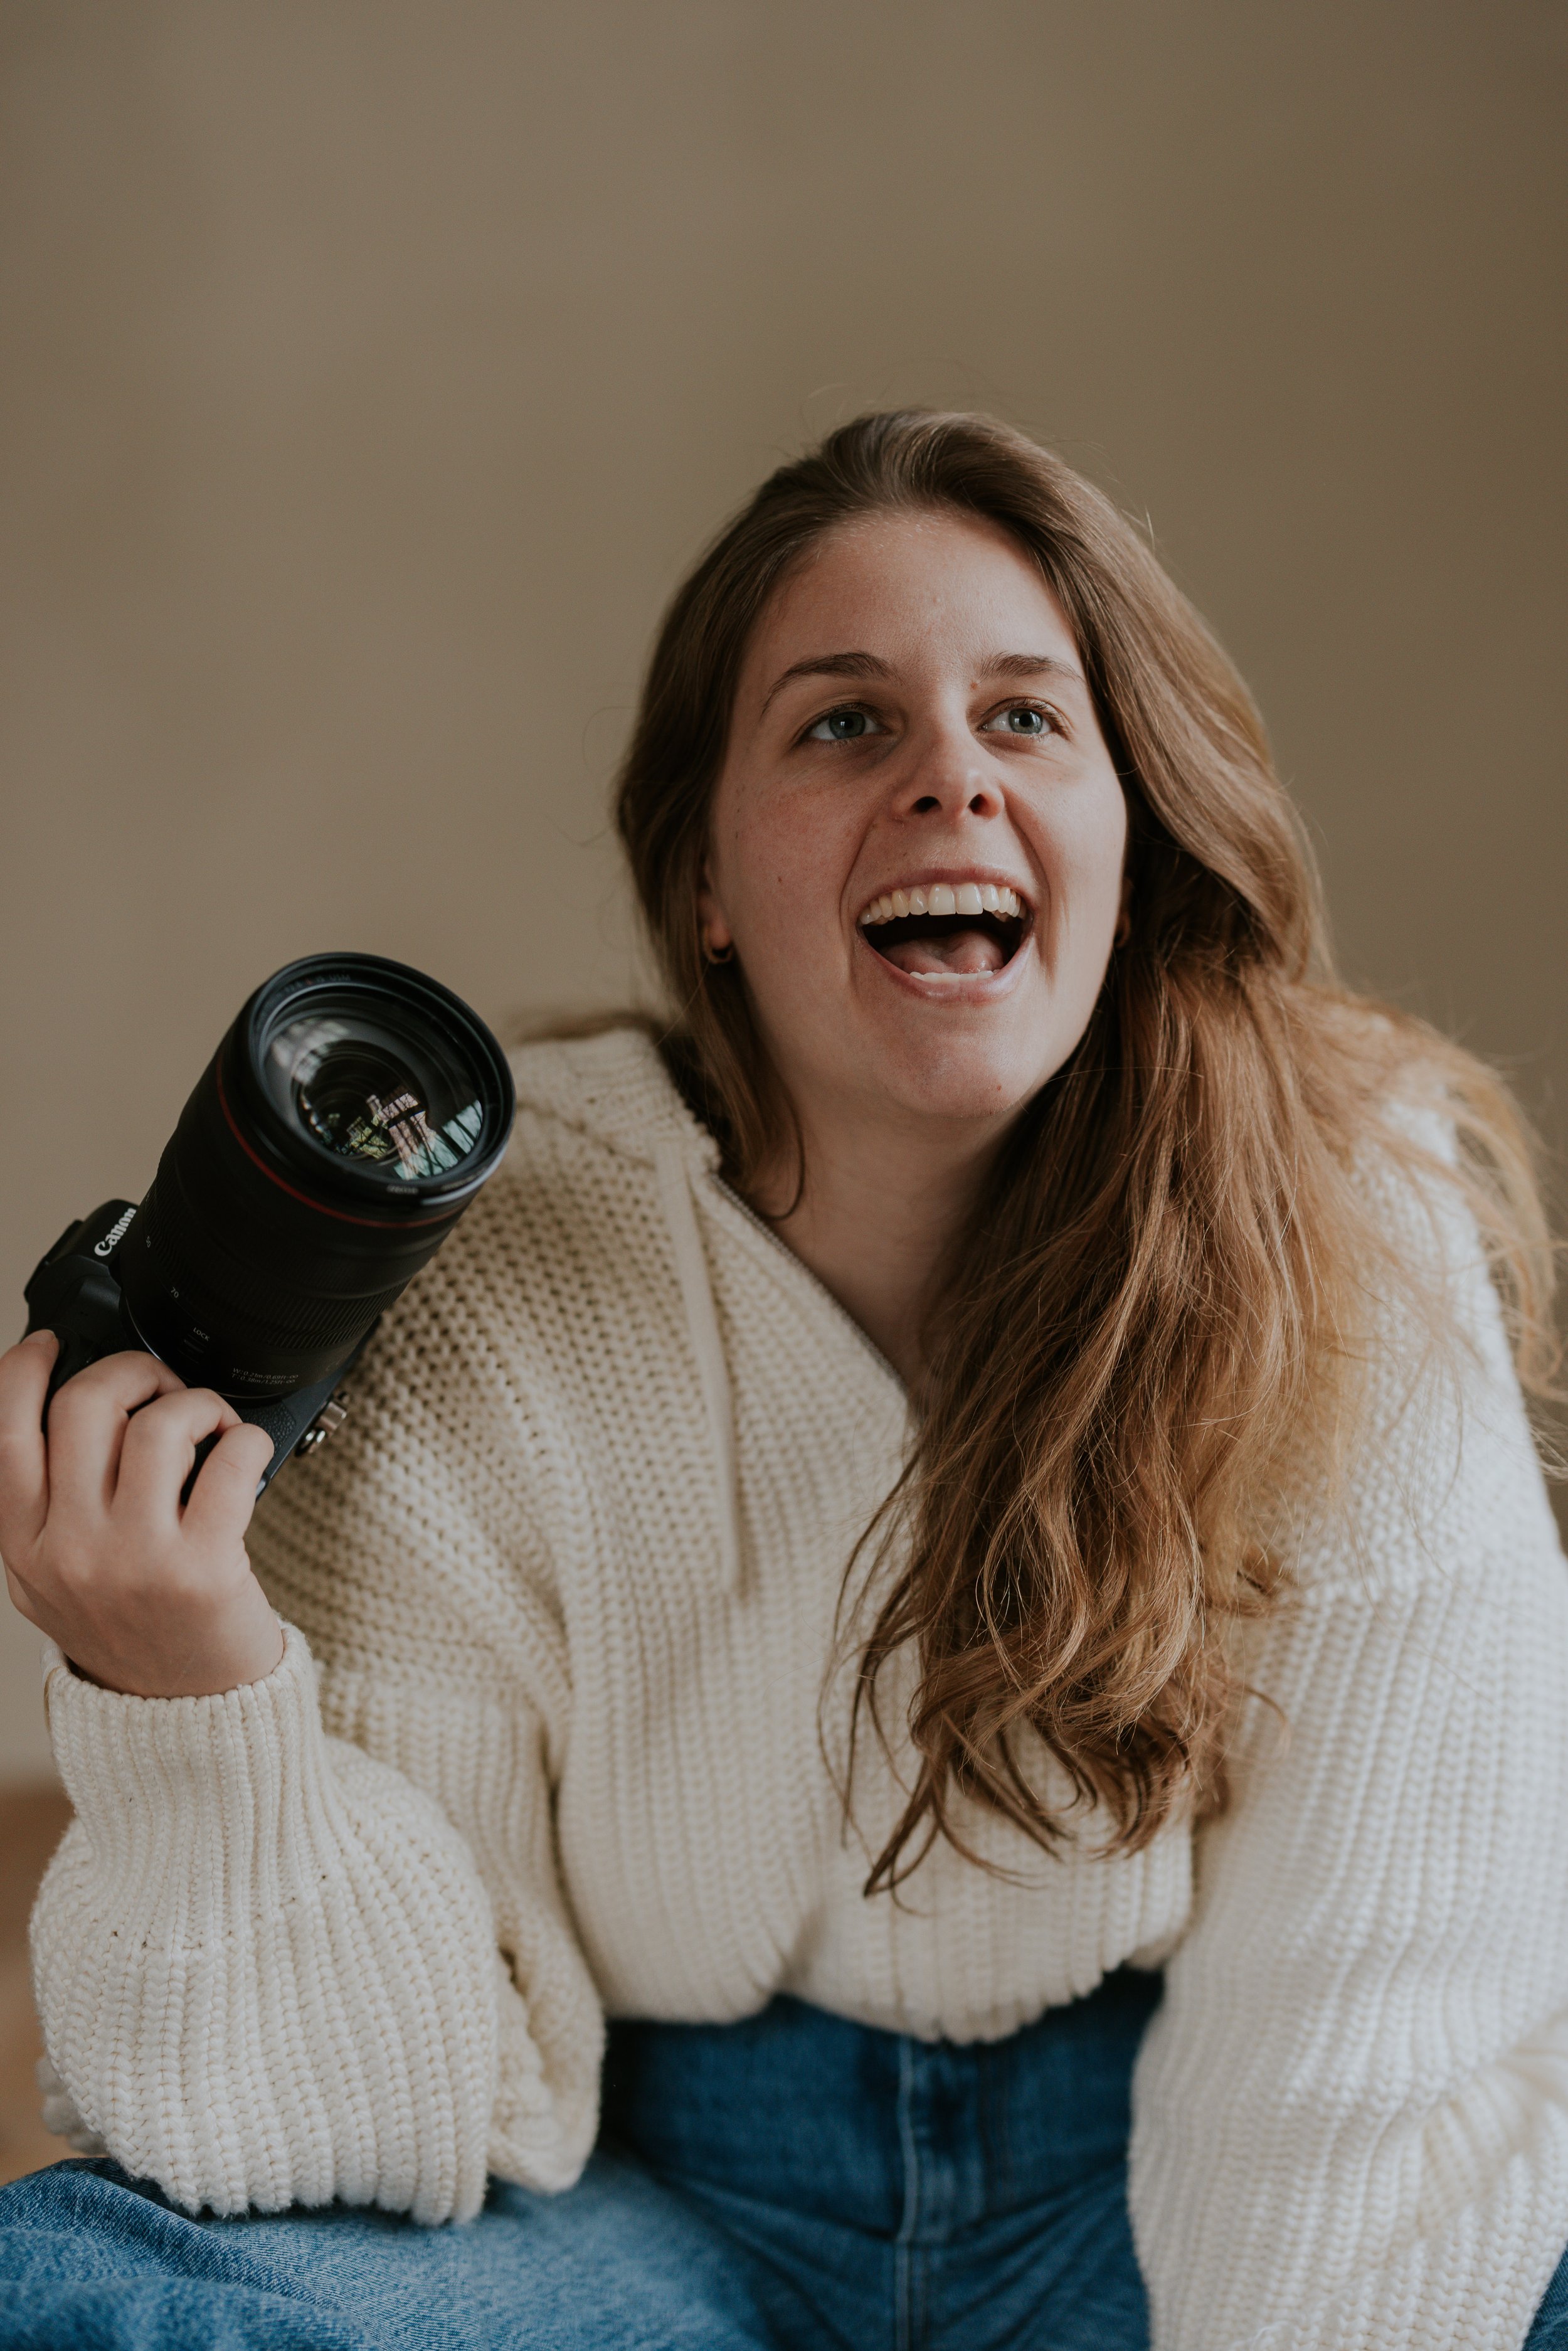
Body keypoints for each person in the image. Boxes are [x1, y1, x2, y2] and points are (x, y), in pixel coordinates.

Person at [1, 410, 1565, 2351]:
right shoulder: (489, 1275)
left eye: (1025, 719)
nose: (947, 782)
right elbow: (382, 2129)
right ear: (709, 887)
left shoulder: (1346, 1221)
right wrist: (194, 1696)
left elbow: (1372, 2042)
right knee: (80, 2297)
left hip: (1170, 2177)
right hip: (658, 2207)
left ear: (1130, 834)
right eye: (843, 723)